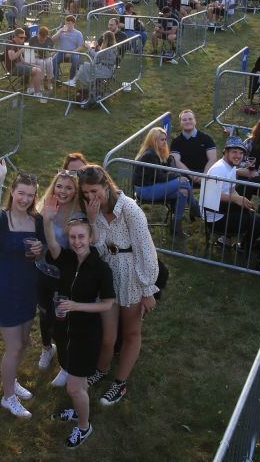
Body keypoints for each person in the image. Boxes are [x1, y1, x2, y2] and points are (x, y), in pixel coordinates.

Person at [77, 164, 158, 407]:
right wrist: (92, 221)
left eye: (94, 191)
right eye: (86, 193)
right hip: (109, 275)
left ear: (106, 185)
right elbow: (99, 250)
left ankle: (120, 382)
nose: (91, 197)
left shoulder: (129, 209)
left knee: (131, 332)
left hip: (133, 273)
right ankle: (102, 368)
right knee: (108, 335)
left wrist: (147, 289)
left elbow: (146, 249)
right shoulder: (95, 212)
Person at [42, 214, 114, 449]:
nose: (76, 241)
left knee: (73, 386)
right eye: (72, 237)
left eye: (81, 236)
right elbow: (52, 244)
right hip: (64, 331)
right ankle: (77, 411)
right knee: (78, 383)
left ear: (91, 237)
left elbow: (107, 304)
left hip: (85, 334)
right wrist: (46, 219)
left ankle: (84, 427)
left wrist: (76, 306)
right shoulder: (66, 260)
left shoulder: (101, 269)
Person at [0, 151, 43, 419]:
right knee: (14, 346)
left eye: (30, 195)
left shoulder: (36, 221)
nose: (25, 199)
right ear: (13, 192)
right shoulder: (3, 219)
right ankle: (8, 397)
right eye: (21, 193)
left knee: (24, 341)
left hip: (28, 289)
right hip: (5, 289)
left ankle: (12, 381)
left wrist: (40, 249)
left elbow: (41, 252)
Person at [38, 170, 83, 382]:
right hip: (42, 270)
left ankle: (66, 365)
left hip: (63, 275)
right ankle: (47, 349)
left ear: (75, 191)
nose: (63, 191)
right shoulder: (44, 206)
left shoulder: (77, 214)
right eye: (59, 186)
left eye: (68, 188)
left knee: (60, 320)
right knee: (44, 314)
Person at [199, 137, 260, 250]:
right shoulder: (219, 169)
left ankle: (230, 242)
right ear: (226, 152)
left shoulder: (230, 167)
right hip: (214, 218)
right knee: (258, 223)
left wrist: (241, 200)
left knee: (253, 214)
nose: (238, 155)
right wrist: (236, 200)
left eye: (241, 153)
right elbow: (209, 197)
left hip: (222, 209)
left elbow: (231, 190)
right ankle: (243, 248)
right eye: (234, 152)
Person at [132, 127, 195, 238]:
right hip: (145, 190)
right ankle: (194, 208)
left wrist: (169, 161)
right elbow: (160, 177)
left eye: (165, 139)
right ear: (153, 140)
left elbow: (164, 172)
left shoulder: (158, 153)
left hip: (154, 187)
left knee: (183, 192)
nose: (165, 142)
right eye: (162, 139)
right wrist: (177, 176)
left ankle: (176, 228)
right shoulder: (149, 155)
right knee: (184, 182)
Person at [170, 109, 217, 187]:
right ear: (180, 123)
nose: (187, 121)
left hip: (205, 172)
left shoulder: (206, 138)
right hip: (184, 173)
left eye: (190, 119)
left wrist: (204, 175)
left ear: (195, 121)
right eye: (184, 120)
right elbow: (176, 161)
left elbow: (212, 159)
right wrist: (192, 175)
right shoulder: (176, 142)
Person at [74, 30, 118, 106]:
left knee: (84, 66)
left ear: (106, 39)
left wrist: (90, 48)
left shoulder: (108, 49)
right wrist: (93, 49)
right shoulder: (112, 47)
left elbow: (96, 57)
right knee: (84, 66)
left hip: (105, 71)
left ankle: (82, 84)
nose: (102, 40)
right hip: (105, 68)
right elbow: (97, 59)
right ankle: (82, 85)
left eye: (104, 39)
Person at [4, 28, 45, 99]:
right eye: (21, 37)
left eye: (24, 37)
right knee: (37, 71)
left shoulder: (17, 44)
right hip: (13, 68)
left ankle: (31, 89)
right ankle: (37, 93)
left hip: (19, 65)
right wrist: (21, 50)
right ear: (15, 37)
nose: (23, 39)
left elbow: (22, 60)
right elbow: (11, 57)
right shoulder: (11, 44)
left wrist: (32, 65)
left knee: (37, 68)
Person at [53, 15, 86, 85]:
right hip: (61, 52)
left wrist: (71, 52)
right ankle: (56, 80)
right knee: (53, 61)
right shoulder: (62, 30)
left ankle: (71, 80)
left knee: (75, 60)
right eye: (66, 23)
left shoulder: (78, 33)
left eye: (69, 23)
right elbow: (53, 39)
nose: (68, 25)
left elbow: (81, 47)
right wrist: (60, 32)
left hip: (73, 52)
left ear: (74, 24)